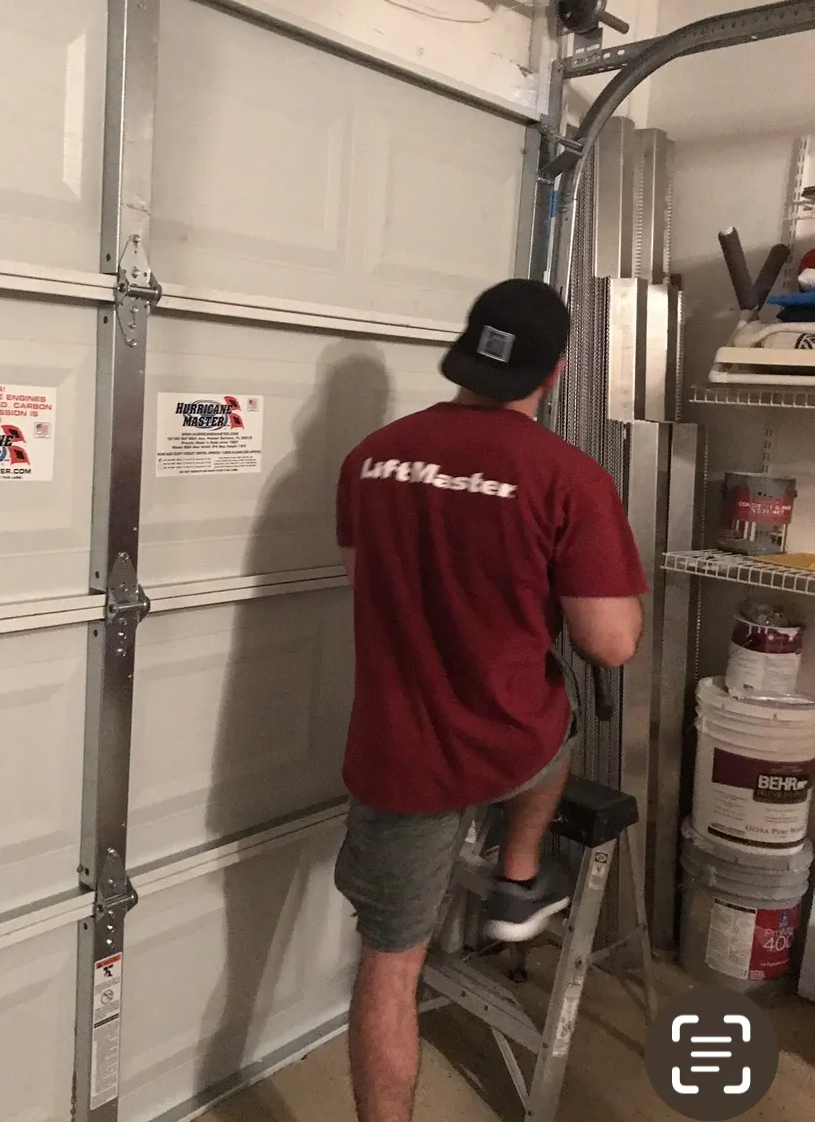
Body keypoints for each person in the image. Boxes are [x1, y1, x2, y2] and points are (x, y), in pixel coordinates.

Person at [332, 279, 646, 1122]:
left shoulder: (371, 454)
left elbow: (366, 585)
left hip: (397, 753)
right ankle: (517, 878)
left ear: (467, 354)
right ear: (558, 371)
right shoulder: (567, 479)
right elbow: (609, 643)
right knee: (562, 717)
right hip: (509, 741)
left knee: (389, 968)